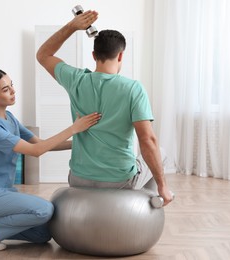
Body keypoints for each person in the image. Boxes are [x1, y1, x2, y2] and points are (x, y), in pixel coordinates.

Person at [36, 10, 173, 205]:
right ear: (120, 55)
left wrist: (72, 26)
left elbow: (43, 54)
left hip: (78, 179)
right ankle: (148, 204)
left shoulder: (75, 80)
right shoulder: (133, 88)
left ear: (94, 55)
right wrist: (163, 185)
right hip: (120, 182)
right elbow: (147, 140)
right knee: (161, 152)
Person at [0, 68, 101, 251]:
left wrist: (80, 144)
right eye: (6, 89)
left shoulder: (9, 117)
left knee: (43, 234)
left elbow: (41, 143)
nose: (13, 91)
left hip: (4, 192)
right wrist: (74, 128)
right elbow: (36, 151)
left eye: (11, 85)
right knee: (44, 210)